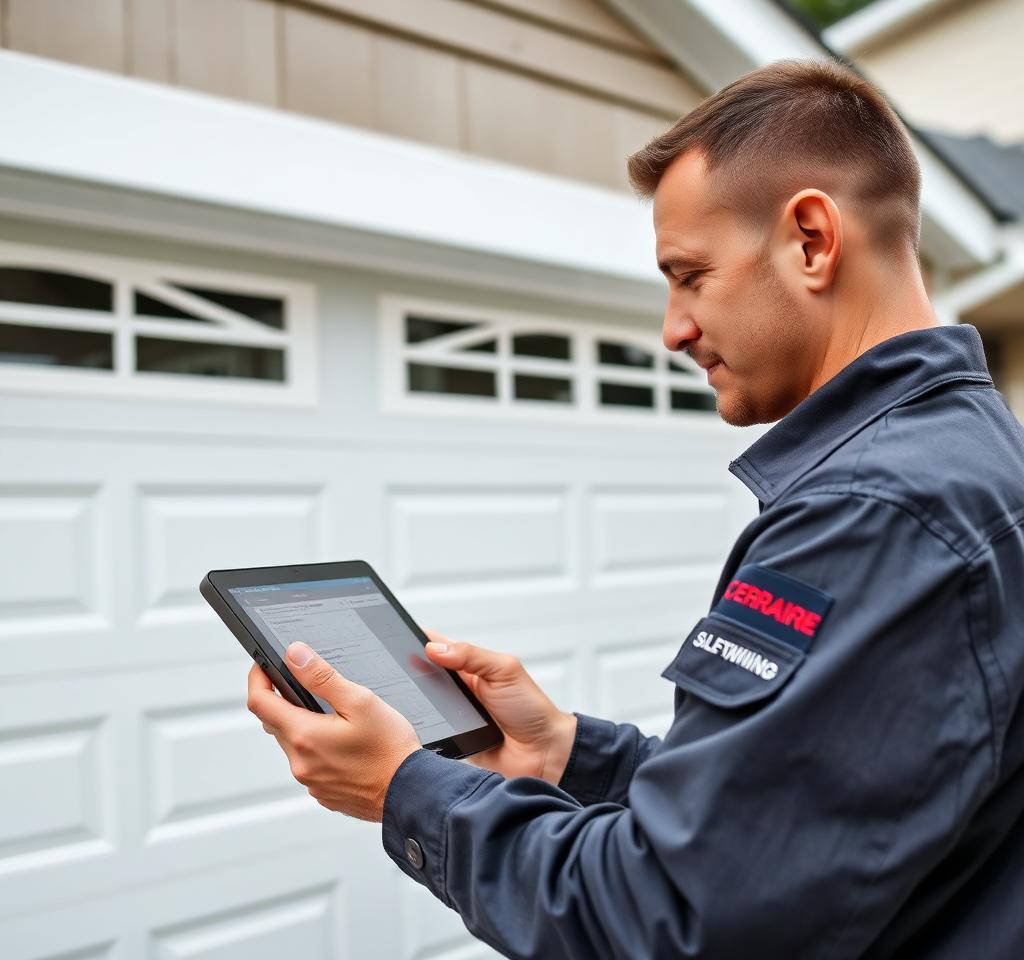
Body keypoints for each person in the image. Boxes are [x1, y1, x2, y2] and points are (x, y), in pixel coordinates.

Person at [247, 59, 1024, 958]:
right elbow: (813, 810)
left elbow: (674, 919)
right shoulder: (972, 459)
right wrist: (565, 753)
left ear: (812, 239)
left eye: (689, 275)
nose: (673, 328)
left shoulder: (872, 513)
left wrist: (405, 789)